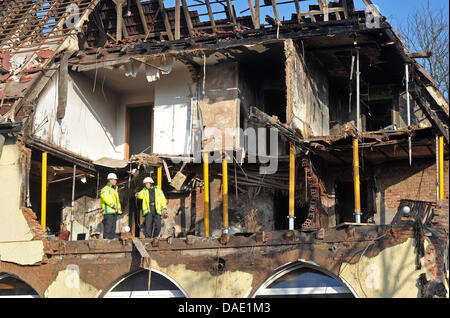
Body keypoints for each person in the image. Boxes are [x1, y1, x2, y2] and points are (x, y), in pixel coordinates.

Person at [100, 173, 122, 239]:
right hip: (108, 211)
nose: (116, 181)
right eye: (114, 180)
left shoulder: (114, 190)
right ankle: (106, 241)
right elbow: (106, 198)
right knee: (108, 227)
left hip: (114, 211)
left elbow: (116, 200)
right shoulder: (105, 189)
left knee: (113, 228)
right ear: (110, 180)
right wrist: (113, 205)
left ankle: (111, 241)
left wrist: (119, 207)